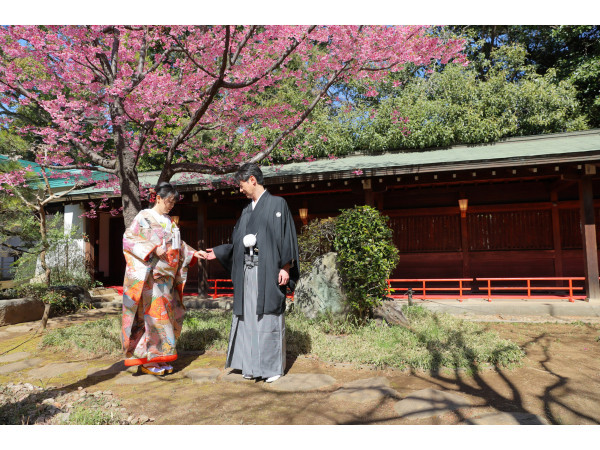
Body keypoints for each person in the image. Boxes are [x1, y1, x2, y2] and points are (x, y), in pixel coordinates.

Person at [200, 163, 299, 383]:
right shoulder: (246, 211)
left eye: (242, 184)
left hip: (269, 271)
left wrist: (285, 266)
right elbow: (237, 243)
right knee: (248, 316)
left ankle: (271, 367)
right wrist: (218, 252)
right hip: (247, 271)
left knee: (268, 317)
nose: (240, 189)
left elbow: (286, 237)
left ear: (252, 180)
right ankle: (250, 364)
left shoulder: (277, 204)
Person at [121, 181, 204, 376]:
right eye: (168, 201)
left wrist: (193, 252)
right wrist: (152, 248)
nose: (171, 205)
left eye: (173, 202)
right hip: (151, 276)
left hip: (167, 278)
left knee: (165, 317)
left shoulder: (170, 221)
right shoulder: (143, 217)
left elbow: (179, 245)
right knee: (152, 317)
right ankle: (149, 360)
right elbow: (128, 239)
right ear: (158, 198)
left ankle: (160, 357)